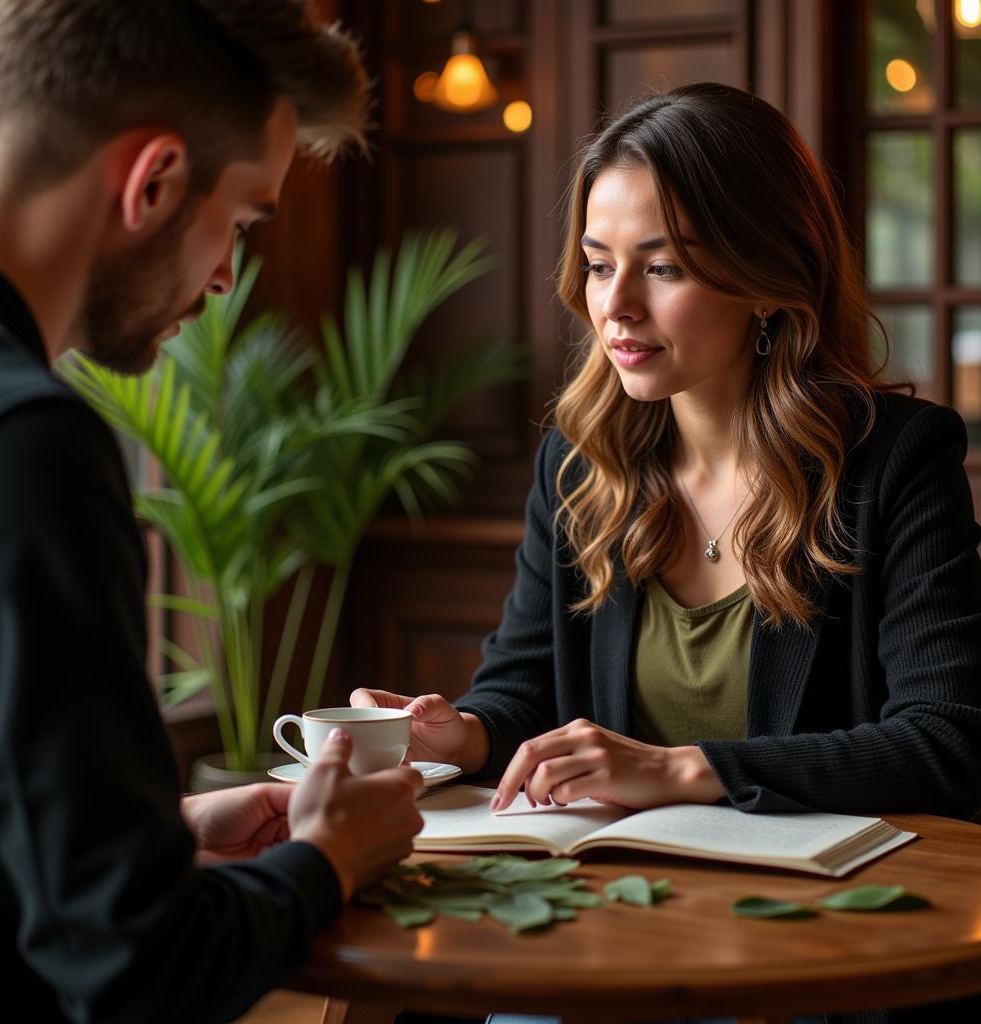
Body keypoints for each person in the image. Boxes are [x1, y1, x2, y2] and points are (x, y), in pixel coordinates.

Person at [353, 83, 981, 1024]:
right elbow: (522, 687)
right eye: (600, 266)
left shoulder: (894, 463)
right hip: (612, 925)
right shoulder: (579, 462)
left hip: (815, 944)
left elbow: (950, 739)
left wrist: (685, 766)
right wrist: (464, 734)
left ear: (767, 276)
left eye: (664, 268)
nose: (617, 307)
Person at [0, 2, 424, 1022]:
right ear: (154, 180)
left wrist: (150, 828)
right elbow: (134, 973)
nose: (224, 277)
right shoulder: (26, 445)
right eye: (246, 219)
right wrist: (326, 859)